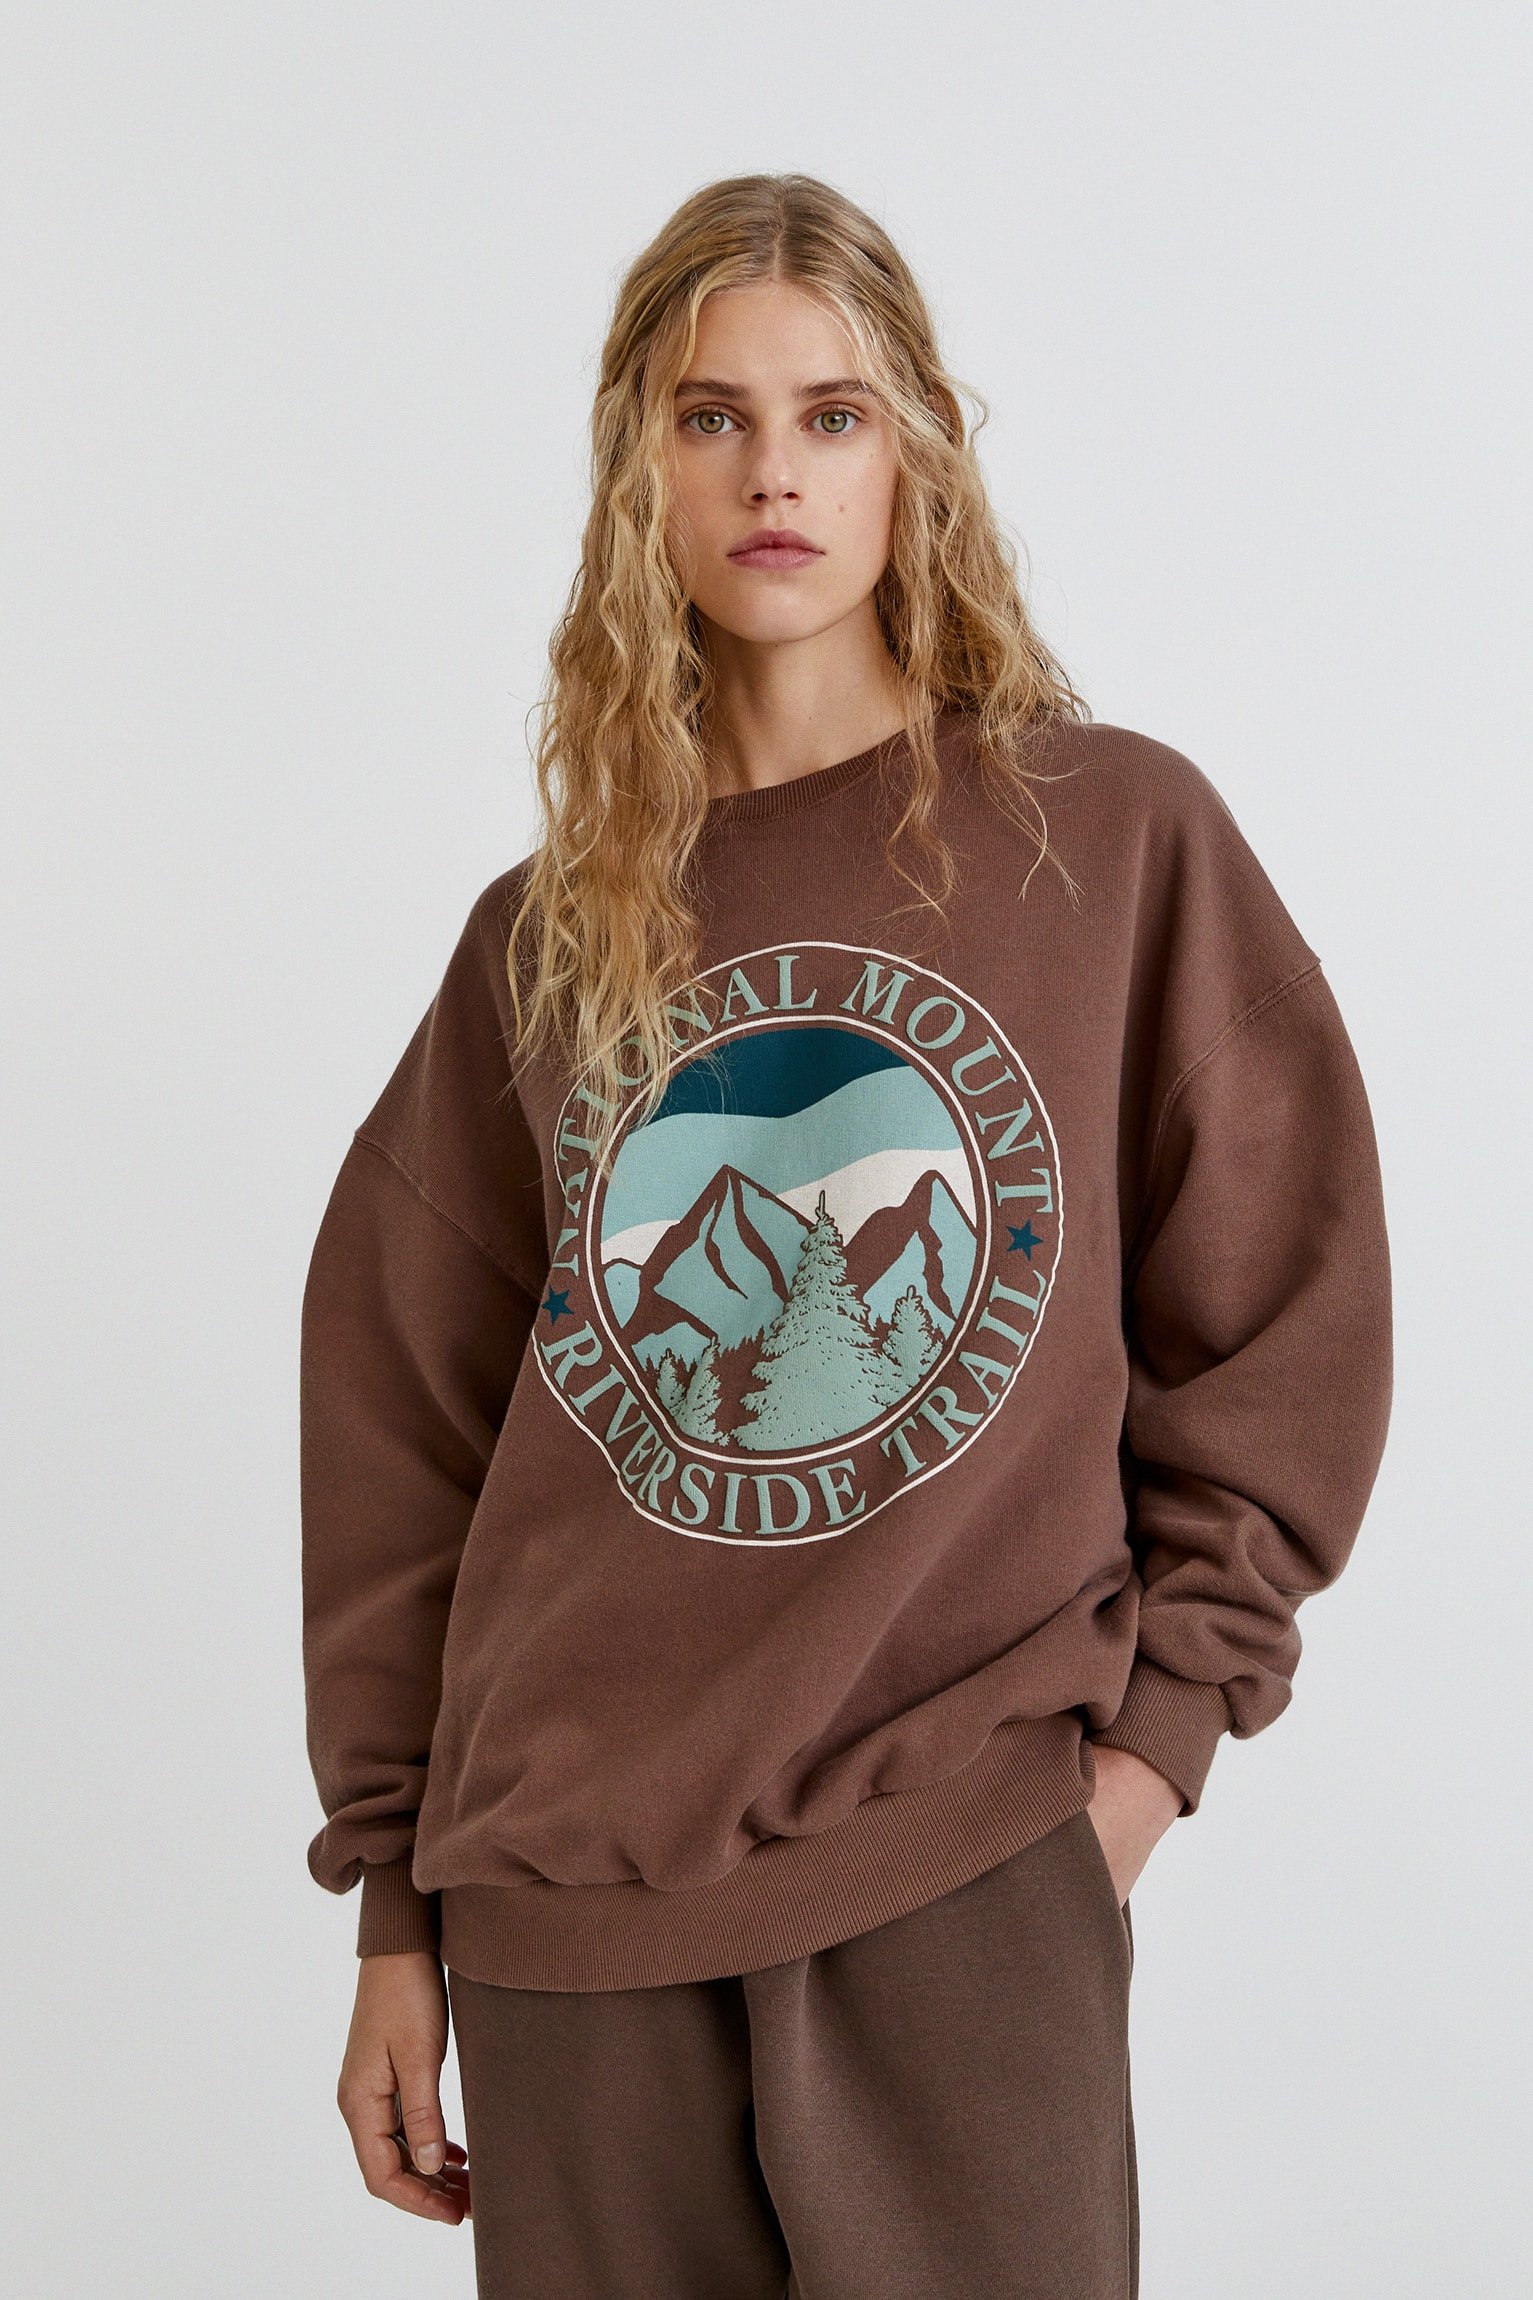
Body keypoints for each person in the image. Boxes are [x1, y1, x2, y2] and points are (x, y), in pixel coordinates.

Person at [300, 172, 1393, 2299]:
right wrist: (396, 1912)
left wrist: (1140, 1763)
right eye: (709, 417)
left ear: (919, 458)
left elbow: (1285, 1316)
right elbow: (403, 1435)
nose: (772, 474)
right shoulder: (540, 941)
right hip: (562, 1907)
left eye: (832, 414)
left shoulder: (1106, 841)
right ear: (637, 469)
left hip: (959, 1858)